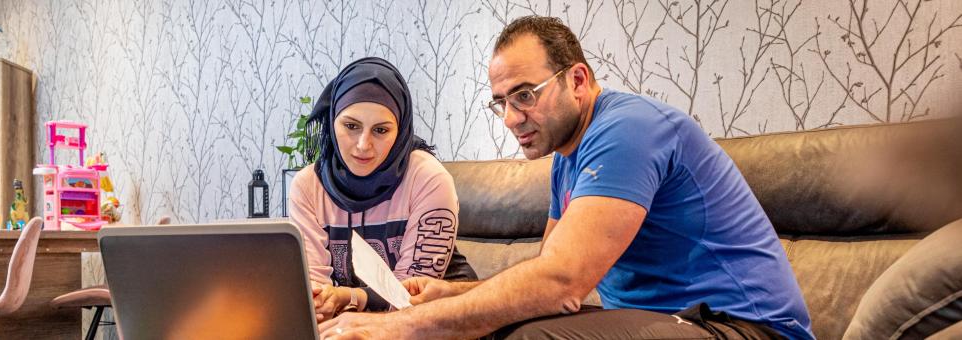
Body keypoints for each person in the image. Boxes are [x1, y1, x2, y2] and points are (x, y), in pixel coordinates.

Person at [318, 16, 813, 340]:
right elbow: (543, 272)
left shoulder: (627, 130)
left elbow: (561, 283)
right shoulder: (568, 156)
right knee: (503, 322)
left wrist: (402, 326)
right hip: (672, 323)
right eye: (501, 102)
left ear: (577, 80)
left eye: (525, 95)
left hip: (744, 328)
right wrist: (452, 293)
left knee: (530, 337)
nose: (511, 117)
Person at [289, 57, 460, 323]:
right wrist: (322, 303)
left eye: (380, 130)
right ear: (333, 120)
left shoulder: (428, 178)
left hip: (434, 322)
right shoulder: (307, 186)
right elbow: (315, 292)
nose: (362, 145)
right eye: (351, 126)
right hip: (350, 321)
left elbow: (408, 301)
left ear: (400, 130)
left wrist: (349, 300)